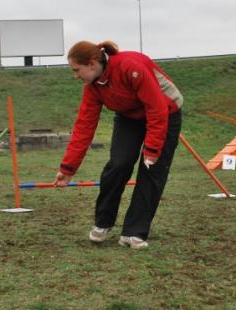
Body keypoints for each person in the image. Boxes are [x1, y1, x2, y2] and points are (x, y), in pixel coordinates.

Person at [53, 40, 183, 249]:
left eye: (77, 70)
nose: (75, 76)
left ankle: (134, 233)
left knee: (151, 169)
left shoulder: (130, 68)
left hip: (165, 112)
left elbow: (156, 108)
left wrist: (151, 150)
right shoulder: (92, 88)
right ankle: (103, 222)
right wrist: (68, 168)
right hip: (129, 116)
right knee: (119, 164)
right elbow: (83, 128)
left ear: (92, 64)